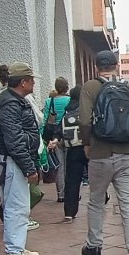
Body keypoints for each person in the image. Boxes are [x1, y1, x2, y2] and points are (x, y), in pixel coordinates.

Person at [78, 50, 129, 255]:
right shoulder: (128, 88)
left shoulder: (89, 87)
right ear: (117, 65)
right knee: (128, 205)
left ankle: (94, 246)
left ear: (96, 66)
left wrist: (86, 144)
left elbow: (84, 120)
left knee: (96, 202)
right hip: (127, 153)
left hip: (99, 154)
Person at [0, 62, 43, 255]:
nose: (33, 83)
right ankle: (14, 253)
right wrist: (29, 167)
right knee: (16, 206)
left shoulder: (11, 101)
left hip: (15, 161)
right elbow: (14, 141)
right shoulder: (10, 104)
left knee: (18, 206)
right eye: (31, 80)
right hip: (14, 163)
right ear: (23, 82)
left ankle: (18, 247)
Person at [53, 86, 88, 222]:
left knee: (72, 181)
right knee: (97, 179)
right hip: (88, 148)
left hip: (72, 150)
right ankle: (101, 200)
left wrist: (55, 140)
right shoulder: (87, 109)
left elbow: (59, 129)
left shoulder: (68, 111)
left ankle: (69, 212)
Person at [43, 77, 72, 202]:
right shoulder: (70, 100)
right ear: (67, 87)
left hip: (54, 136)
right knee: (69, 165)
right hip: (69, 134)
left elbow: (44, 120)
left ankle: (61, 194)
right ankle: (70, 191)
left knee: (59, 165)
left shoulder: (50, 101)